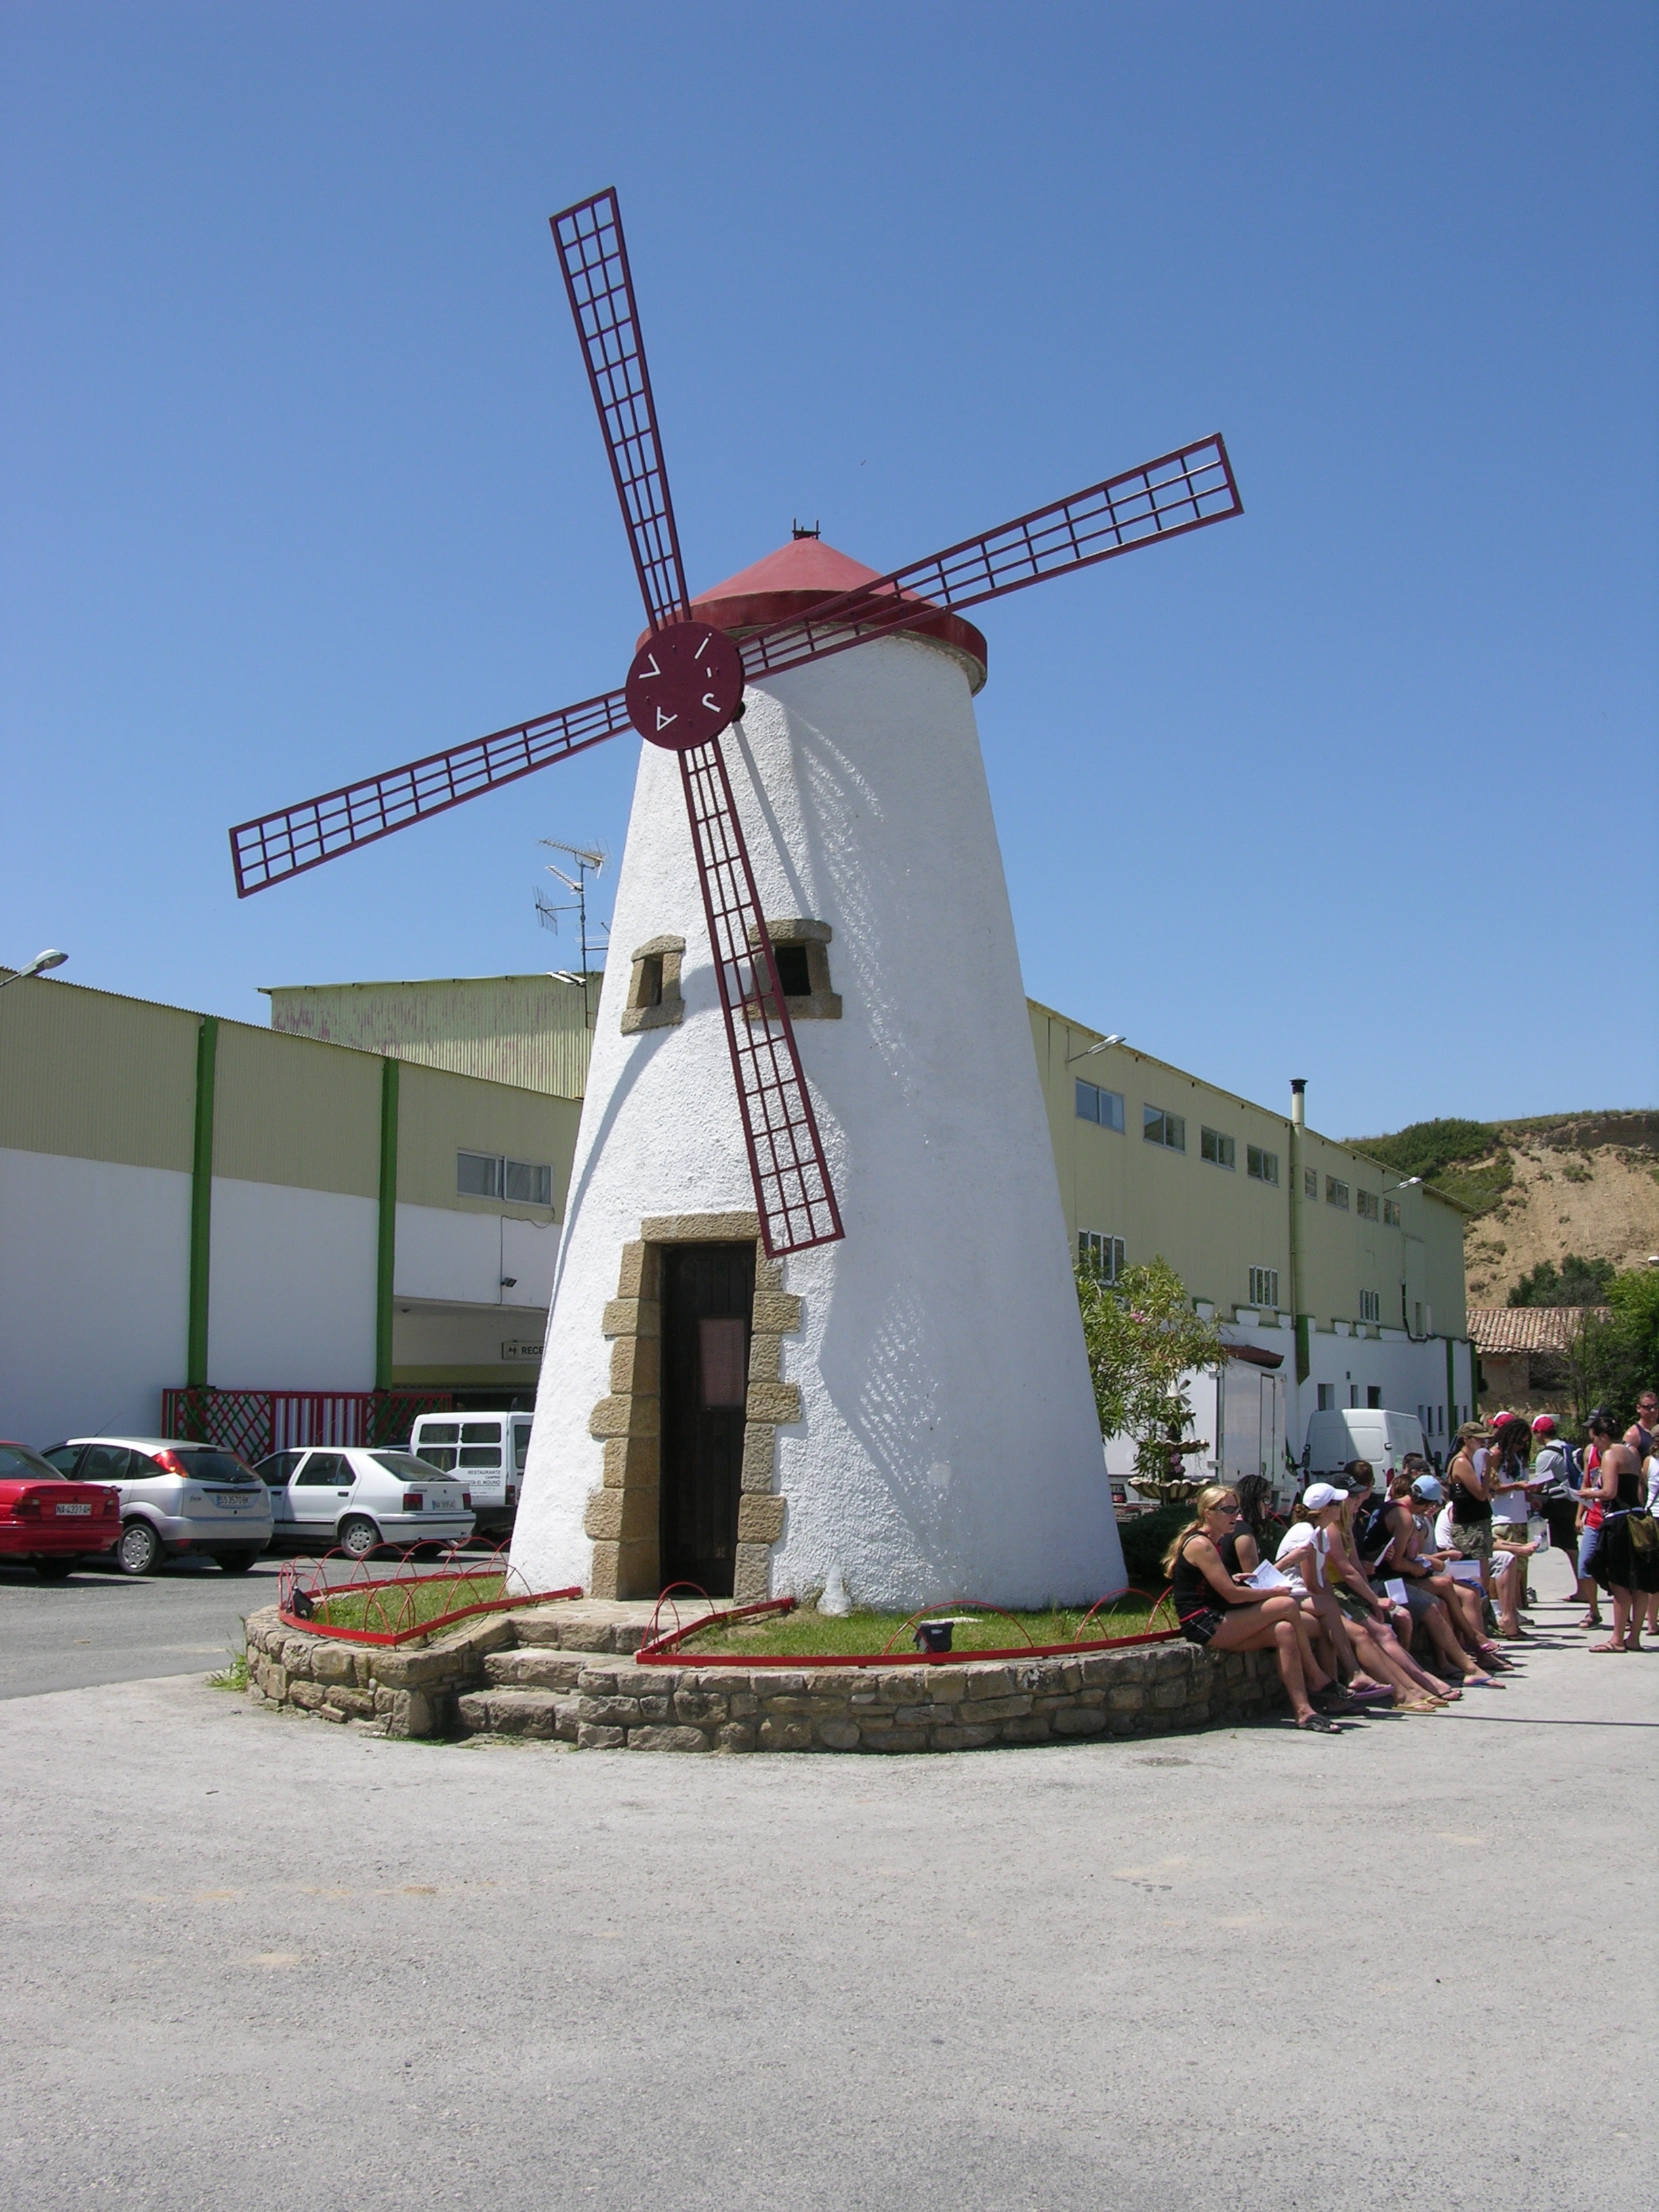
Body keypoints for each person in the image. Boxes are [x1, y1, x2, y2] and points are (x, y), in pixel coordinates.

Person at [1163, 1484, 1342, 1731]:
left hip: (1219, 1617)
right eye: (1227, 1509)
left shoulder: (1214, 1541)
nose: (1234, 1516)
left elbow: (1219, 1586)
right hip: (1204, 1623)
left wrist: (1237, 1578)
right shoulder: (1201, 1545)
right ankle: (1317, 1676)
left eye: (1236, 1509)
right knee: (1286, 1603)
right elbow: (1233, 1596)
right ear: (1208, 1514)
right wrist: (1273, 1591)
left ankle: (1304, 1711)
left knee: (1284, 1631)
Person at [1377, 1471, 1498, 1685]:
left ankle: (1469, 1648)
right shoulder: (1404, 1517)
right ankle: (1471, 1646)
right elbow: (1397, 1563)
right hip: (1387, 1582)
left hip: (1393, 1576)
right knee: (1435, 1603)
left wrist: (1415, 1563)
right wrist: (1415, 1567)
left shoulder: (1394, 1508)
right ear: (1427, 1504)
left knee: (1444, 1591)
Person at [1583, 1410, 1658, 1652]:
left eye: (1595, 1438)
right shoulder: (1632, 1453)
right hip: (1638, 1518)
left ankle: (1616, 1639)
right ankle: (1634, 1638)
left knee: (1618, 1582)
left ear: (1604, 1436)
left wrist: (1586, 1494)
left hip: (1618, 1521)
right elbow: (1638, 1489)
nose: (1594, 1443)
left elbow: (1609, 1493)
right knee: (1639, 1581)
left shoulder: (1610, 1454)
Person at [1487, 1416, 1539, 1637]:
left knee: (1519, 1566)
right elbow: (1492, 1485)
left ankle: (1513, 1608)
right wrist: (1517, 1486)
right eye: (1518, 1442)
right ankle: (1498, 1609)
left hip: (1520, 1515)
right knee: (1502, 1565)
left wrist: (1529, 1496)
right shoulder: (1496, 1454)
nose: (1520, 1446)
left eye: (1524, 1443)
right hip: (1502, 1517)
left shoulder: (1518, 1456)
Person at [1446, 1420, 1498, 1612]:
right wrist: (1487, 1469)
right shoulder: (1461, 1462)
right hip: (1470, 1527)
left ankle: (1483, 1617)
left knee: (1483, 1574)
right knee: (1479, 1577)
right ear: (1467, 1440)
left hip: (1477, 1523)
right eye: (1479, 1440)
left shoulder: (1469, 1461)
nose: (1483, 1445)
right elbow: (1480, 1493)